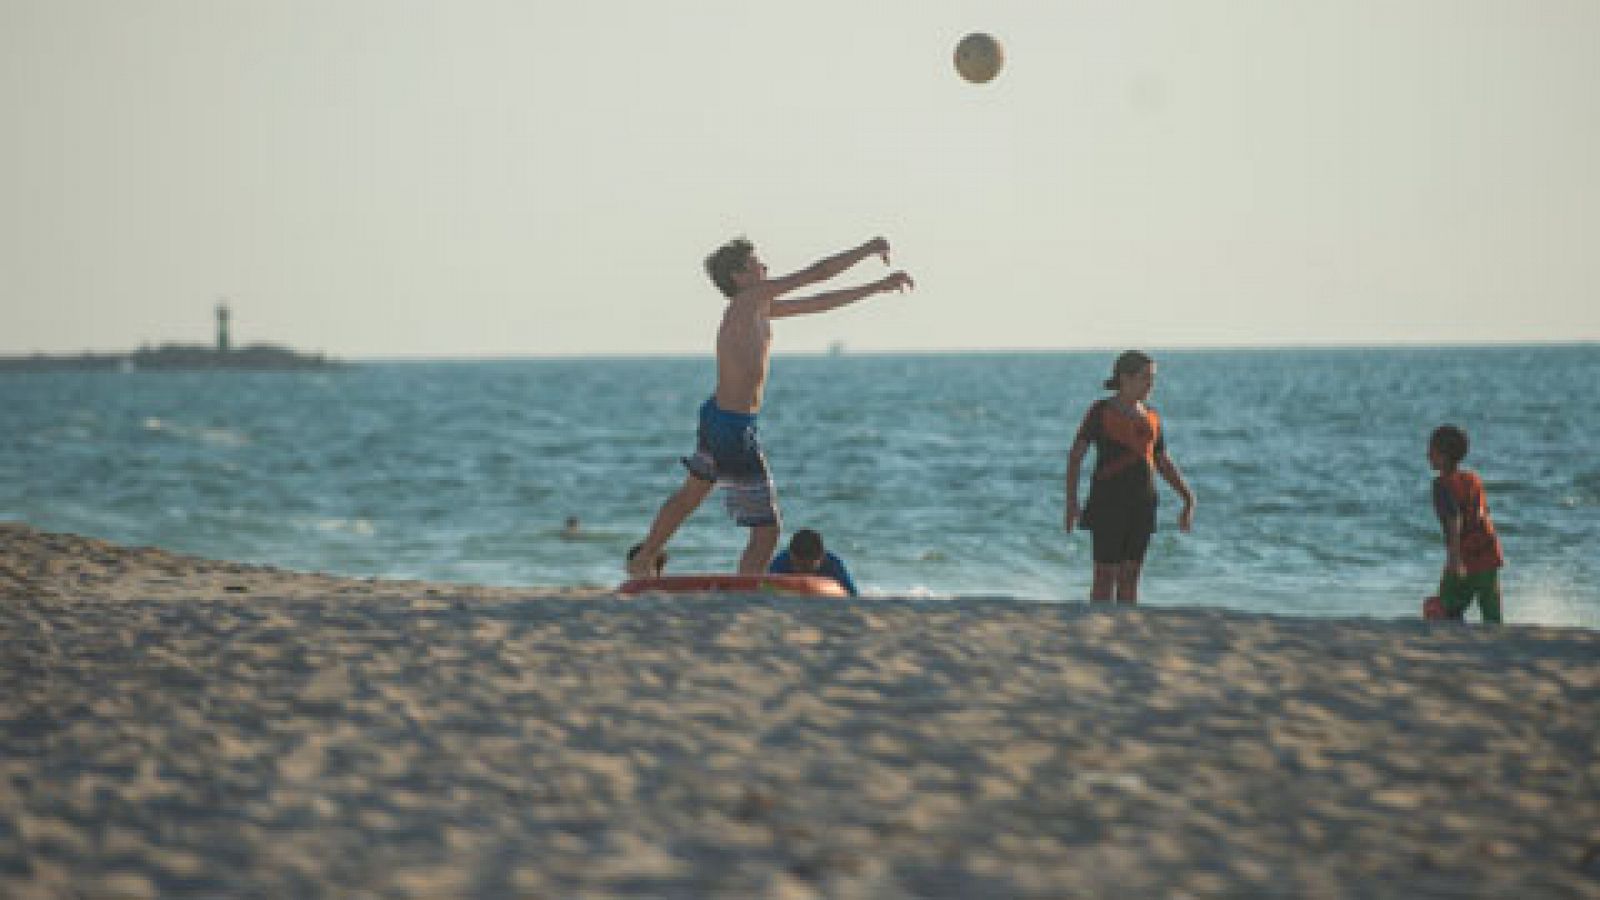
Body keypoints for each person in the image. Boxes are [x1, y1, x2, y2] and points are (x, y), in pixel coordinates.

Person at [627, 236, 914, 577]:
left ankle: (644, 560)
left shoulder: (757, 307)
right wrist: (867, 250)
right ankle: (743, 594)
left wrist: (877, 286)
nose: (765, 268)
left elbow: (819, 302)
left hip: (721, 417)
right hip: (732, 426)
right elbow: (817, 273)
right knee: (767, 531)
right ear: (739, 277)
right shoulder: (747, 302)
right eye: (756, 264)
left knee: (691, 495)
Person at [1063, 350, 1196, 604]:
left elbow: (1162, 461)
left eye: (1153, 378)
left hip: (1143, 505)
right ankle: (1096, 629)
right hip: (1107, 504)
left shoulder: (1152, 417)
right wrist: (1071, 502)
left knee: (1131, 576)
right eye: (1146, 378)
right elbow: (1075, 456)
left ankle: (1122, 630)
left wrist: (1188, 498)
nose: (1151, 384)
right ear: (1125, 378)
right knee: (1104, 577)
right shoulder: (1101, 411)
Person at [1428, 424, 1505, 623]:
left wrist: (1454, 559)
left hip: (1464, 556)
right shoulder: (1473, 479)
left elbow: (1454, 520)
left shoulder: (1441, 485)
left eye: (1432, 451)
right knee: (1491, 614)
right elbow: (1481, 514)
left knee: (1442, 608)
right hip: (1489, 552)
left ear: (1444, 456)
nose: (1427, 455)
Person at [768, 528, 859, 596]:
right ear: (791, 554)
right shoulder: (781, 562)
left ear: (821, 556)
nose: (802, 573)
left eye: (807, 567)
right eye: (797, 566)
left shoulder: (833, 564)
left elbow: (852, 595)